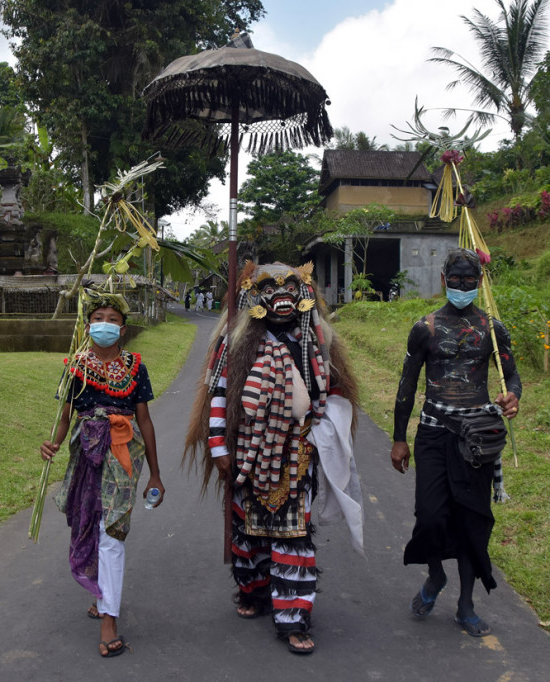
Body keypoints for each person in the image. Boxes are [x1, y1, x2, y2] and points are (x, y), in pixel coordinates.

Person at [186, 262, 363, 655]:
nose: (281, 298)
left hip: (297, 451)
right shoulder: (235, 343)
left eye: (290, 289)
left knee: (294, 533)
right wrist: (219, 448)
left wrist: (322, 433)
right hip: (246, 451)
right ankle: (252, 590)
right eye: (270, 290)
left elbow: (333, 395)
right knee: (248, 528)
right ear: (254, 296)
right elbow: (218, 395)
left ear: (304, 295)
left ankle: (294, 617)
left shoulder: (317, 340)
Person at [390, 248, 521, 637]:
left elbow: (512, 376)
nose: (463, 286)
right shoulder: (425, 328)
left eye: (470, 280)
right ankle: (435, 577)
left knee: (472, 521)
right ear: (443, 281)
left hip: (476, 437)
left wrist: (513, 397)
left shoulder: (493, 331)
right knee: (430, 515)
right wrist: (399, 438)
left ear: (479, 283)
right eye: (456, 279)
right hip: (433, 431)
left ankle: (466, 604)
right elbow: (407, 385)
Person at [40, 291, 165, 658]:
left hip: (125, 454)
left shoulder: (135, 367)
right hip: (85, 453)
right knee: (87, 520)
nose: (105, 324)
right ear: (87, 324)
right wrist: (52, 444)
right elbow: (64, 419)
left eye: (113, 318)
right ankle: (101, 591)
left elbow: (145, 419)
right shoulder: (74, 366)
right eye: (99, 317)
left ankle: (109, 617)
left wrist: (155, 475)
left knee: (112, 530)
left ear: (123, 329)